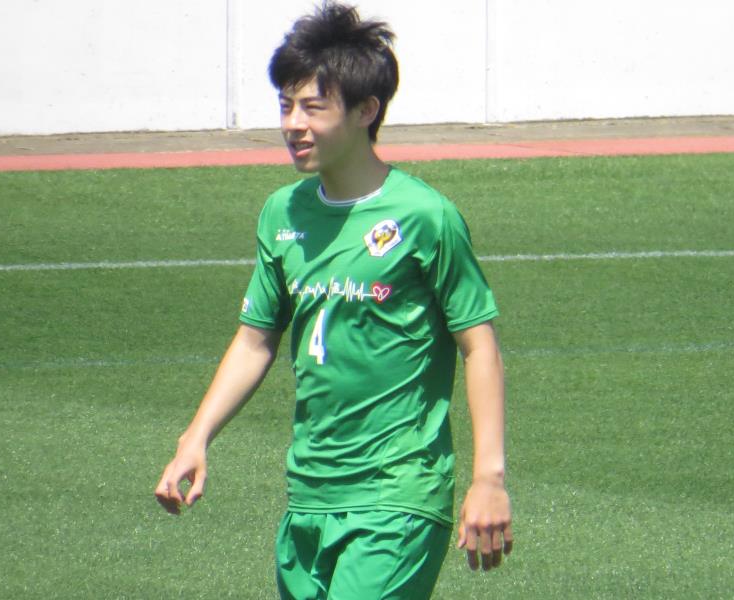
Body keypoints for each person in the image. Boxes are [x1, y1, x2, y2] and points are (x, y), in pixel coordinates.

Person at [155, 2, 513, 598]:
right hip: (308, 495)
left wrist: (488, 477)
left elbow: (480, 345)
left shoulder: (425, 217)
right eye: (285, 105)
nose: (293, 123)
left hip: (398, 494)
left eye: (313, 107)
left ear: (366, 110)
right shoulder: (282, 213)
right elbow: (256, 338)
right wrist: (196, 437)